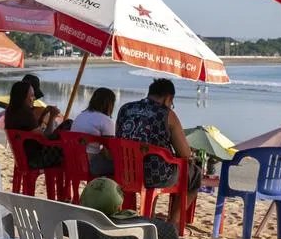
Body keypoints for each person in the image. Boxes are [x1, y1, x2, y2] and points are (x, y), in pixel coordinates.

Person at [115, 78, 201, 225]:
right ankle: (173, 222)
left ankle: (148, 215)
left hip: (125, 170)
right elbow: (185, 154)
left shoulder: (125, 108)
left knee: (163, 164)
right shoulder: (167, 114)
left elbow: (118, 137)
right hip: (155, 175)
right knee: (194, 175)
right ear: (168, 98)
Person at [4, 80, 63, 168]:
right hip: (35, 159)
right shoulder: (26, 113)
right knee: (67, 126)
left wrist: (43, 114)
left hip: (22, 157)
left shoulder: (10, 111)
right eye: (31, 95)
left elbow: (32, 131)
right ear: (23, 96)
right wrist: (52, 117)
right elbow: (45, 137)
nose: (34, 98)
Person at [70, 87, 116, 176]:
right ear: (110, 104)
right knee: (121, 166)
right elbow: (110, 152)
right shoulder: (106, 120)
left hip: (73, 162)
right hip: (91, 165)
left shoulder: (81, 116)